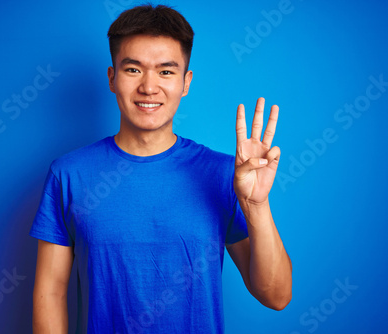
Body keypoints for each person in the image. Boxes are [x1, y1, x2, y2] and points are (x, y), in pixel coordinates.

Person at [30, 4, 292, 333]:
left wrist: (256, 205)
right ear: (112, 78)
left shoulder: (225, 175)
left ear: (186, 82)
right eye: (133, 69)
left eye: (166, 71)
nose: (149, 87)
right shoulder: (68, 175)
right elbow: (50, 293)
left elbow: (276, 295)